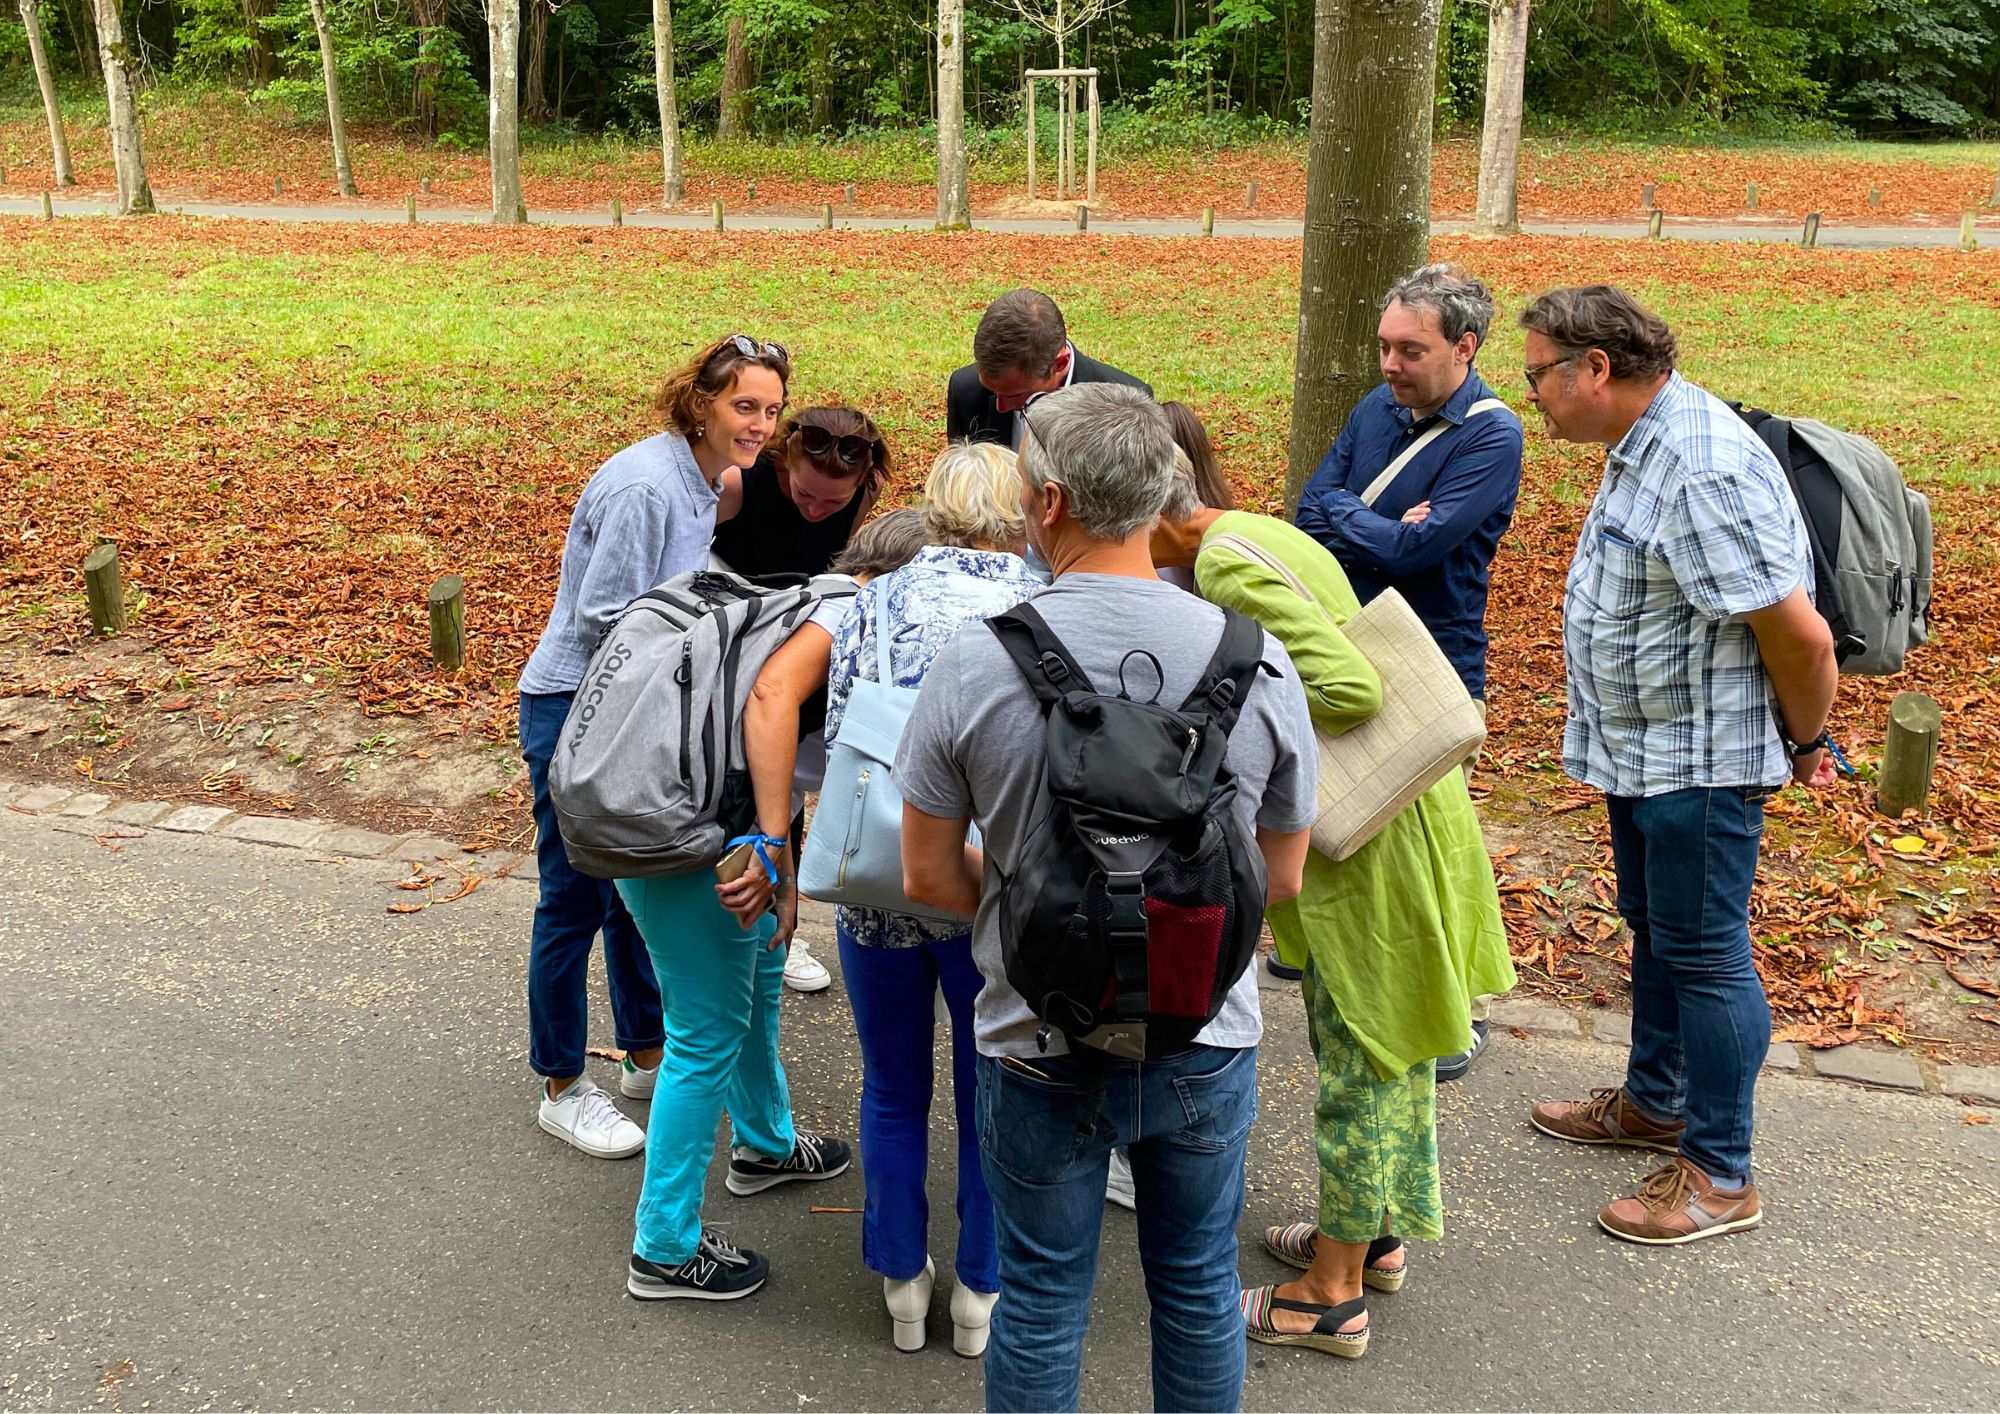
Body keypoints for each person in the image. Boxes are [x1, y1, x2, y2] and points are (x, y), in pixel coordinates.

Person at [896, 383, 1316, 1413]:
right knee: (1197, 1286)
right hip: (1204, 1030)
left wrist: (1030, 912)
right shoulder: (1255, 660)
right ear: (1162, 491)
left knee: (1042, 1299)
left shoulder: (977, 661)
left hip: (1034, 1032)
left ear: (1046, 503)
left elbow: (925, 874)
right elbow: (1282, 876)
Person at [1151, 479, 1516, 1362]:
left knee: (1361, 1053)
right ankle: (1368, 1238)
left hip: (1368, 846)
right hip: (1406, 820)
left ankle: (1330, 1296)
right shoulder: (1254, 530)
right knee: (1391, 1047)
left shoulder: (1227, 567)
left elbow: (1347, 689)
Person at [1519, 285, 1835, 1245]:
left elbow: (1801, 639)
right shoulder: (1644, 441)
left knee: (1705, 953)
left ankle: (1722, 1175)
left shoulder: (1701, 466)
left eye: (1537, 376)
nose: (1531, 396)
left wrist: (1807, 742)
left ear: (1595, 368)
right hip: (1647, 750)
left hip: (1702, 760)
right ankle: (1655, 1103)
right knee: (1658, 931)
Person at [752, 445, 1043, 1357]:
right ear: (1021, 510)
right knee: (993, 1089)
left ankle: (900, 1276)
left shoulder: (868, 599)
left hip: (876, 878)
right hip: (989, 887)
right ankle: (982, 1286)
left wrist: (777, 839)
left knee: (891, 1087)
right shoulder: (1041, 605)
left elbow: (802, 706)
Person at [515, 333, 790, 1161]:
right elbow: (607, 617)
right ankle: (562, 1085)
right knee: (574, 901)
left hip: (638, 713)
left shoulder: (704, 477)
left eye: (772, 410)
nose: (760, 424)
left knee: (637, 887)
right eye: (745, 406)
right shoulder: (647, 486)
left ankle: (644, 1052)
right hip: (578, 709)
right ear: (700, 404)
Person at [1293, 263, 1525, 1080]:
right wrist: (1374, 521)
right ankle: (1362, 980)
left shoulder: (1492, 437)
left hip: (1436, 662)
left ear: (1465, 347)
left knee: (1437, 845)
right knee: (1354, 826)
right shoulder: (1376, 406)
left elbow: (1415, 551)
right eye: (1384, 346)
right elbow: (1309, 508)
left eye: (1410, 351)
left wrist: (1355, 516)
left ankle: (1463, 1009)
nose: (1390, 365)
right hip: (1352, 649)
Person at [713, 406, 894, 994]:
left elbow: (842, 565)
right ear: (785, 458)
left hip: (800, 643)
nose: (816, 509)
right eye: (805, 493)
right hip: (727, 644)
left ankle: (773, 932)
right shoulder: (739, 484)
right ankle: (719, 931)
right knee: (735, 789)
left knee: (781, 785)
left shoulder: (862, 492)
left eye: (833, 502)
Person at [945, 288, 1152, 449]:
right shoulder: (966, 392)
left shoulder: (1126, 407)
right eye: (991, 389)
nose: (1000, 406)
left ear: (1059, 364)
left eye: (1014, 395)